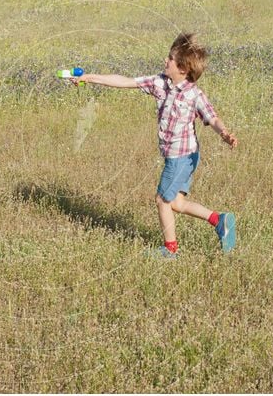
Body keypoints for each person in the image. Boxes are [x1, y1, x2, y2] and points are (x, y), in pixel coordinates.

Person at [73, 33, 237, 258]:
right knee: (177, 203)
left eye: (170, 58)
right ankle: (219, 220)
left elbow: (212, 118)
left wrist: (225, 133)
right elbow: (126, 81)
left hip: (183, 157)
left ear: (182, 68)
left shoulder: (194, 95)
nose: (165, 61)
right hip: (176, 156)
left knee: (162, 201)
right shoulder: (160, 83)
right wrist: (90, 78)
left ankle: (170, 250)